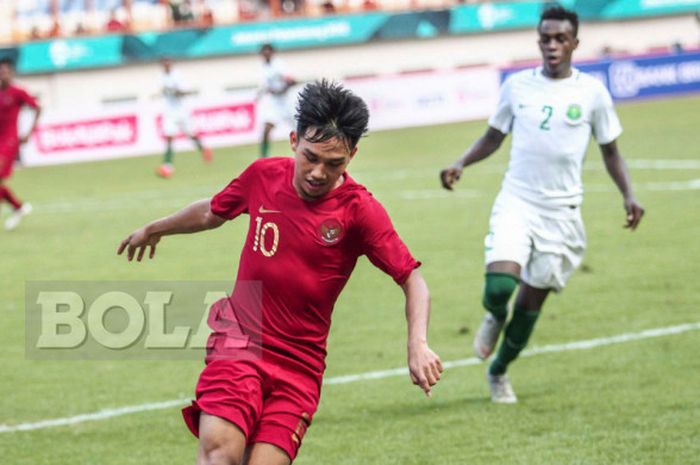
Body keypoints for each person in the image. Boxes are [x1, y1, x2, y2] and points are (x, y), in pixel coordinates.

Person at [118, 80, 443, 464]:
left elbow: (412, 280)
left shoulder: (359, 210)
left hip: (300, 366)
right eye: (311, 157)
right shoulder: (262, 176)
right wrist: (155, 228)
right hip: (240, 338)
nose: (318, 172)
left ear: (352, 155)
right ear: (293, 140)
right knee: (221, 451)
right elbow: (211, 212)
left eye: (334, 163)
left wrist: (417, 343)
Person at [440, 7, 644, 404]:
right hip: (518, 200)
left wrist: (629, 195)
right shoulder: (517, 87)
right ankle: (494, 315)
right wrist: (460, 162)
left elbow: (611, 151)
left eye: (559, 39)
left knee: (531, 304)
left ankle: (498, 371)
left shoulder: (592, 93)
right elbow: (493, 136)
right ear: (538, 41)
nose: (551, 45)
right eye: (545, 38)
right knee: (500, 286)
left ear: (574, 43)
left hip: (562, 214)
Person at [0, 58, 41, 231]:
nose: (3, 74)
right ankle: (19, 207)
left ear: (11, 73)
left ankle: (18, 207)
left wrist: (29, 133)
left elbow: (37, 108)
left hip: (9, 141)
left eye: (6, 72)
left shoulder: (18, 92)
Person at [156, 58, 212, 178]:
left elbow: (185, 92)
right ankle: (167, 167)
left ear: (171, 63)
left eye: (167, 63)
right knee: (169, 137)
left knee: (190, 135)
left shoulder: (177, 75)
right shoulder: (161, 77)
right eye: (163, 64)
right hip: (170, 112)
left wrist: (176, 91)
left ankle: (204, 149)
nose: (166, 65)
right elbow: (163, 91)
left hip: (182, 111)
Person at [257, 43, 296, 158]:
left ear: (272, 52)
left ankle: (306, 151)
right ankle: (263, 157)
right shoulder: (264, 67)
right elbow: (267, 86)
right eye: (264, 52)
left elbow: (292, 81)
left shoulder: (279, 65)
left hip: (287, 101)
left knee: (299, 129)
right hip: (275, 104)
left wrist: (282, 90)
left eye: (268, 51)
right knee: (266, 129)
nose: (266, 54)